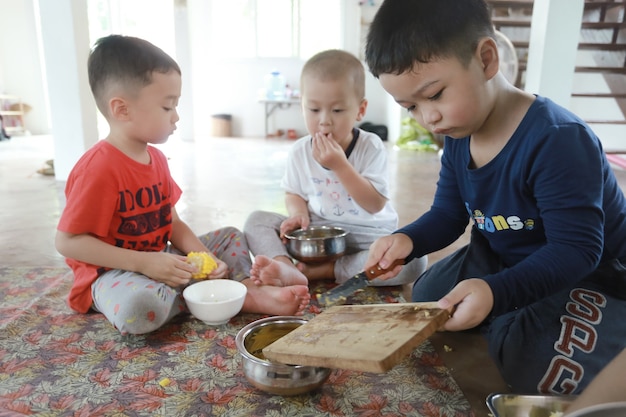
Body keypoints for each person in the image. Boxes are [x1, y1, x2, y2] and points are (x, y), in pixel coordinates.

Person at [364, 0, 626, 395]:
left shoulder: (558, 140)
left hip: (592, 273)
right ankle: (510, 314)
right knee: (427, 297)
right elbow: (448, 215)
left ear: (486, 59)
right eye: (411, 107)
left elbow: (577, 250)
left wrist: (497, 293)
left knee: (530, 354)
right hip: (507, 252)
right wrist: (409, 239)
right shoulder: (458, 134)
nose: (427, 118)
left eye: (434, 95)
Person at [55, 35, 310, 335]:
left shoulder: (157, 159)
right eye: (167, 107)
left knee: (230, 237)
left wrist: (207, 258)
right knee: (139, 309)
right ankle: (221, 297)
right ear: (122, 109)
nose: (176, 116)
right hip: (113, 273)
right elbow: (67, 242)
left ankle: (239, 289)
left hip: (161, 262)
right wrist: (144, 263)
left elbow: (172, 223)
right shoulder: (98, 168)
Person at [244, 49, 427, 288]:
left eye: (337, 110)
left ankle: (326, 270)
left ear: (360, 110)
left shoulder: (370, 146)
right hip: (319, 230)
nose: (324, 121)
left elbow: (375, 204)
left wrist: (340, 166)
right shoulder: (300, 151)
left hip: (367, 235)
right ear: (302, 106)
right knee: (256, 221)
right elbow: (294, 192)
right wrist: (298, 214)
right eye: (314, 109)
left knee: (414, 260)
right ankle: (286, 268)